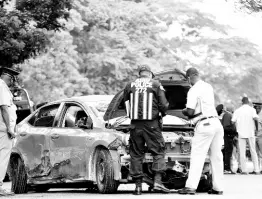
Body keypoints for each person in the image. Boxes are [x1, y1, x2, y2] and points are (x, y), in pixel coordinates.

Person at [123, 65, 170, 195]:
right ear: (149, 74)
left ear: (140, 74)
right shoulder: (155, 84)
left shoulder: (130, 85)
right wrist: (162, 114)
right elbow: (164, 104)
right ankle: (157, 182)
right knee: (158, 151)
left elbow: (125, 102)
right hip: (152, 125)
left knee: (136, 154)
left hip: (135, 125)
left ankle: (138, 187)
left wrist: (132, 116)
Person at [178, 67, 224, 195]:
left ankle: (190, 187)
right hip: (216, 123)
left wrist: (183, 111)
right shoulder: (208, 86)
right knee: (216, 157)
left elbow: (190, 112)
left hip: (204, 125)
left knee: (197, 156)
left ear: (189, 77)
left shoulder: (193, 90)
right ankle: (218, 188)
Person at [0, 67, 20, 196]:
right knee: (3, 157)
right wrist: (9, 128)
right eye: (13, 79)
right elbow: (4, 108)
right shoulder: (1, 86)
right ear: (8, 77)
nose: (14, 82)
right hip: (3, 129)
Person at [231, 97, 260, 175]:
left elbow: (233, 122)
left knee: (242, 152)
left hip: (241, 133)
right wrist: (256, 129)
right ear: (248, 102)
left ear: (242, 102)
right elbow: (256, 119)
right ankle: (257, 170)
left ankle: (244, 170)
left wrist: (236, 131)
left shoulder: (237, 111)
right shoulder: (252, 110)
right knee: (253, 151)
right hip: (250, 133)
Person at [222, 104, 237, 174]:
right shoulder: (228, 115)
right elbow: (226, 127)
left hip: (229, 135)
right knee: (228, 152)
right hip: (228, 136)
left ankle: (228, 167)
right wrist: (233, 132)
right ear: (231, 109)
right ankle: (226, 168)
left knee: (229, 152)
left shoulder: (229, 115)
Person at [253, 103, 262, 172]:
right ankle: (257, 169)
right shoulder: (253, 115)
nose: (257, 109)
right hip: (253, 136)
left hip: (261, 135)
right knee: (255, 153)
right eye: (256, 107)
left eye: (258, 107)